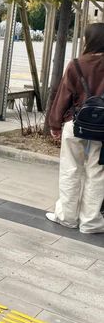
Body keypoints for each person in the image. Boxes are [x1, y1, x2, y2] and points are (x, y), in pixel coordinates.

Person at [45, 23, 104, 234]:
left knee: (70, 169)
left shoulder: (76, 64)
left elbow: (63, 96)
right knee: (97, 173)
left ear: (88, 40)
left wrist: (55, 124)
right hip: (103, 129)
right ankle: (91, 222)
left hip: (76, 122)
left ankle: (67, 217)